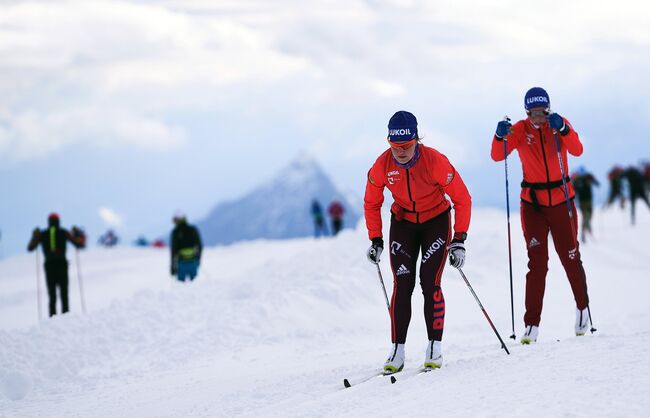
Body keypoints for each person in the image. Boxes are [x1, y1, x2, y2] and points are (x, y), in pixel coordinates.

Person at [364, 110, 471, 374]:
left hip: (436, 221)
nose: (400, 152)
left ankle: (434, 346)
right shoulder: (382, 166)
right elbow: (371, 202)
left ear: (417, 140)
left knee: (429, 280)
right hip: (403, 224)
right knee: (402, 284)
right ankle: (397, 349)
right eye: (394, 146)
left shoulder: (435, 161)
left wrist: (459, 239)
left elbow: (462, 199)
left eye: (406, 146)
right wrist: (375, 238)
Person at [491, 87, 591, 344]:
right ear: (527, 112)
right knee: (537, 263)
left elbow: (577, 150)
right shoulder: (520, 130)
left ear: (548, 109)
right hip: (533, 204)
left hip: (561, 201)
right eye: (534, 113)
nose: (538, 118)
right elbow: (497, 155)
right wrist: (499, 135)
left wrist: (564, 129)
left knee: (570, 256)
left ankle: (583, 309)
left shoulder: (559, 125)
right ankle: (531, 325)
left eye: (542, 112)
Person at [27, 213, 86, 316]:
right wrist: (79, 234)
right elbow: (79, 244)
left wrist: (34, 236)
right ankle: (66, 318)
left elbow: (31, 248)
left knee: (52, 296)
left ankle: (52, 321)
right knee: (64, 294)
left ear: (48, 222)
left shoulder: (42, 234)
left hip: (49, 266)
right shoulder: (64, 232)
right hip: (62, 265)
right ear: (58, 221)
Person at [170, 212, 202, 282]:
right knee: (196, 285)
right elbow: (199, 245)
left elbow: (173, 251)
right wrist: (198, 259)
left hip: (181, 263)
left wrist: (172, 267)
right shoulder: (193, 229)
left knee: (180, 287)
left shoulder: (175, 232)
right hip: (193, 261)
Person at [571, 166, 600, 243]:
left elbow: (596, 183)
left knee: (589, 215)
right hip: (582, 201)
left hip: (589, 200)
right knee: (585, 216)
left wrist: (594, 182)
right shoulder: (577, 180)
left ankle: (587, 228)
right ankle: (583, 233)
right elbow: (574, 191)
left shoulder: (588, 176)